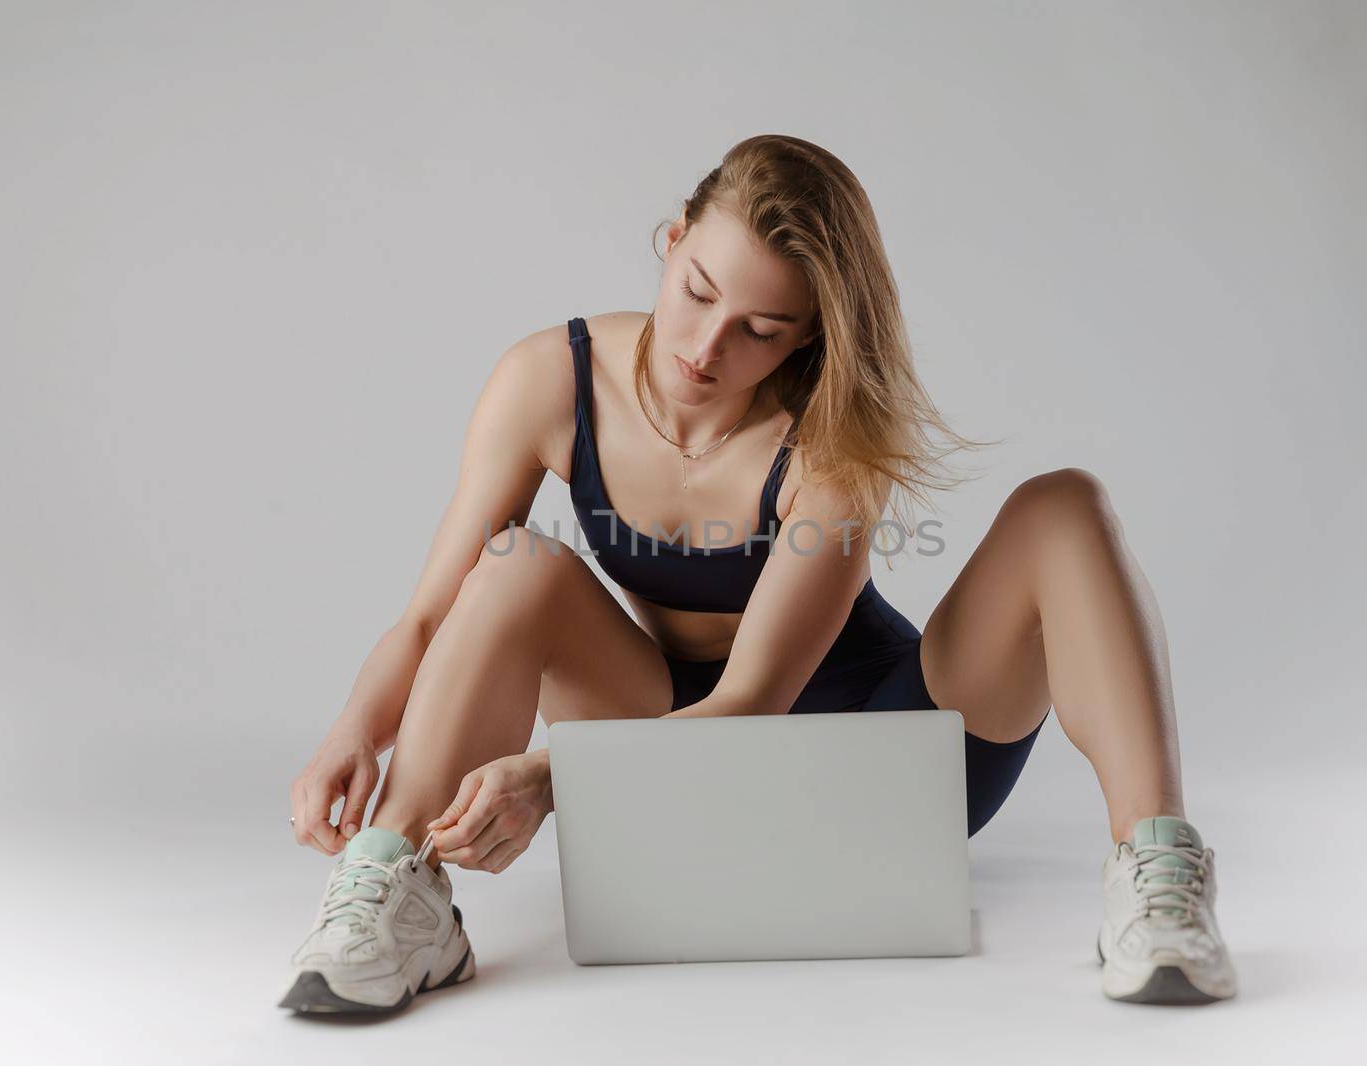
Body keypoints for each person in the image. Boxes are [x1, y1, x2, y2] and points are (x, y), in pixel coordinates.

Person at [279, 134, 1238, 1015]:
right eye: (698, 292)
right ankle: (395, 890)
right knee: (510, 565)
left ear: (810, 335)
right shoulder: (549, 379)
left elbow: (753, 705)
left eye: (762, 330)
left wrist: (550, 774)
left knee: (1064, 504)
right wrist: (357, 729)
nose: (708, 348)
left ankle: (1157, 878)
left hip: (887, 760)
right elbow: (427, 619)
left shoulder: (829, 444)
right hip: (665, 754)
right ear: (671, 239)